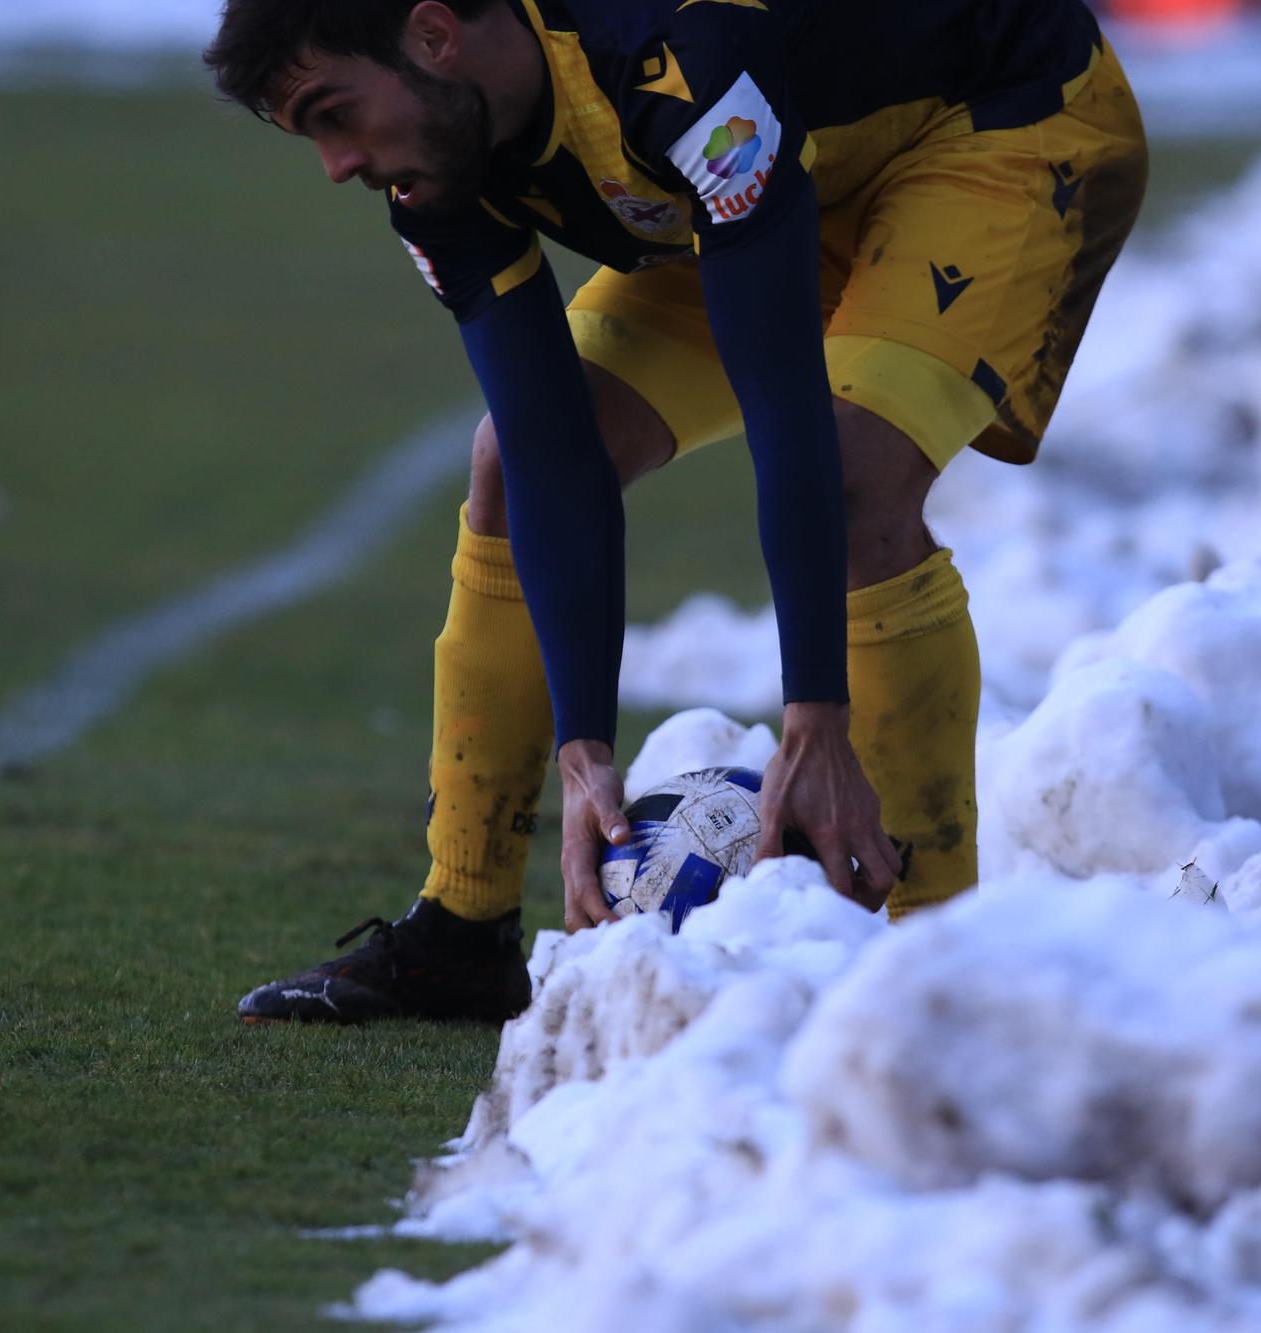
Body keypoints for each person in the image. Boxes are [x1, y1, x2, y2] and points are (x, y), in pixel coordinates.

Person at [209, 0, 1148, 1024]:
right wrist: (585, 753)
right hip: (779, 170)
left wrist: (814, 719)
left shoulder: (669, 59)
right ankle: (463, 933)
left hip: (993, 123)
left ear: (434, 33)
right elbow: (549, 446)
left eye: (333, 114)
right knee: (506, 469)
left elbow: (781, 397)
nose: (337, 164)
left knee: (852, 470)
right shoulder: (436, 156)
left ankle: (942, 961)